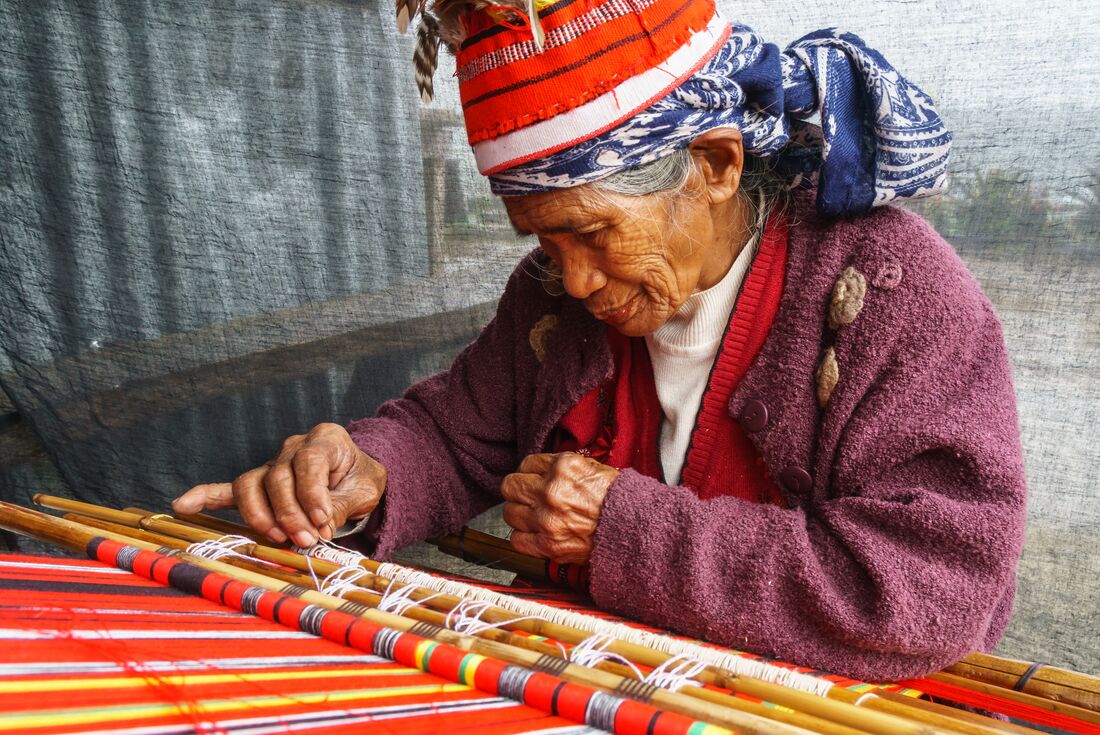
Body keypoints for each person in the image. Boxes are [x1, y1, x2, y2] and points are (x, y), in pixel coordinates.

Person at [173, 0, 1026, 680]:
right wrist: (366, 469)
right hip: (568, 685)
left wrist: (624, 528)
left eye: (591, 234)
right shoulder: (555, 297)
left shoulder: (895, 299)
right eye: (543, 242)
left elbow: (934, 587)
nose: (572, 279)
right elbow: (455, 428)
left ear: (717, 166)